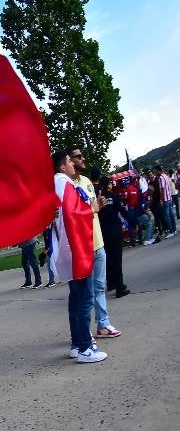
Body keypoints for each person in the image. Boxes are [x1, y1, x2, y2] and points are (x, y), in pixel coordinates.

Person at [50, 148, 106, 363]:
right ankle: (84, 348)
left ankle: (77, 343)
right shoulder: (63, 183)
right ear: (62, 166)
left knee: (77, 299)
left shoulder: (63, 183)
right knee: (84, 299)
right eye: (70, 161)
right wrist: (91, 209)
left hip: (72, 249)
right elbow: (72, 215)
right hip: (75, 250)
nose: (75, 163)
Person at [69, 148, 121, 339]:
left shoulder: (87, 182)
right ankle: (82, 332)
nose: (83, 159)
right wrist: (93, 208)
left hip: (97, 242)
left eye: (82, 156)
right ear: (68, 161)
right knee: (83, 293)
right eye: (78, 157)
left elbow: (92, 208)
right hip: (80, 247)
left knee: (99, 287)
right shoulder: (65, 185)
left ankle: (103, 324)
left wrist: (98, 205)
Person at [98, 177, 131, 299]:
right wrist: (133, 222)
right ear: (108, 185)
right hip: (115, 231)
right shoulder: (115, 197)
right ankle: (120, 287)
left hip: (104, 233)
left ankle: (112, 283)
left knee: (109, 260)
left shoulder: (98, 200)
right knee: (117, 260)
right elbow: (122, 211)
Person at [156, 164, 176, 237]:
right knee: (171, 214)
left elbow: (162, 189)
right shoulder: (166, 176)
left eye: (156, 171)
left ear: (158, 170)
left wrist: (161, 200)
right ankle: (174, 230)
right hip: (169, 197)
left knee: (166, 215)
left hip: (165, 199)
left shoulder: (161, 178)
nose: (156, 173)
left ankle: (170, 231)